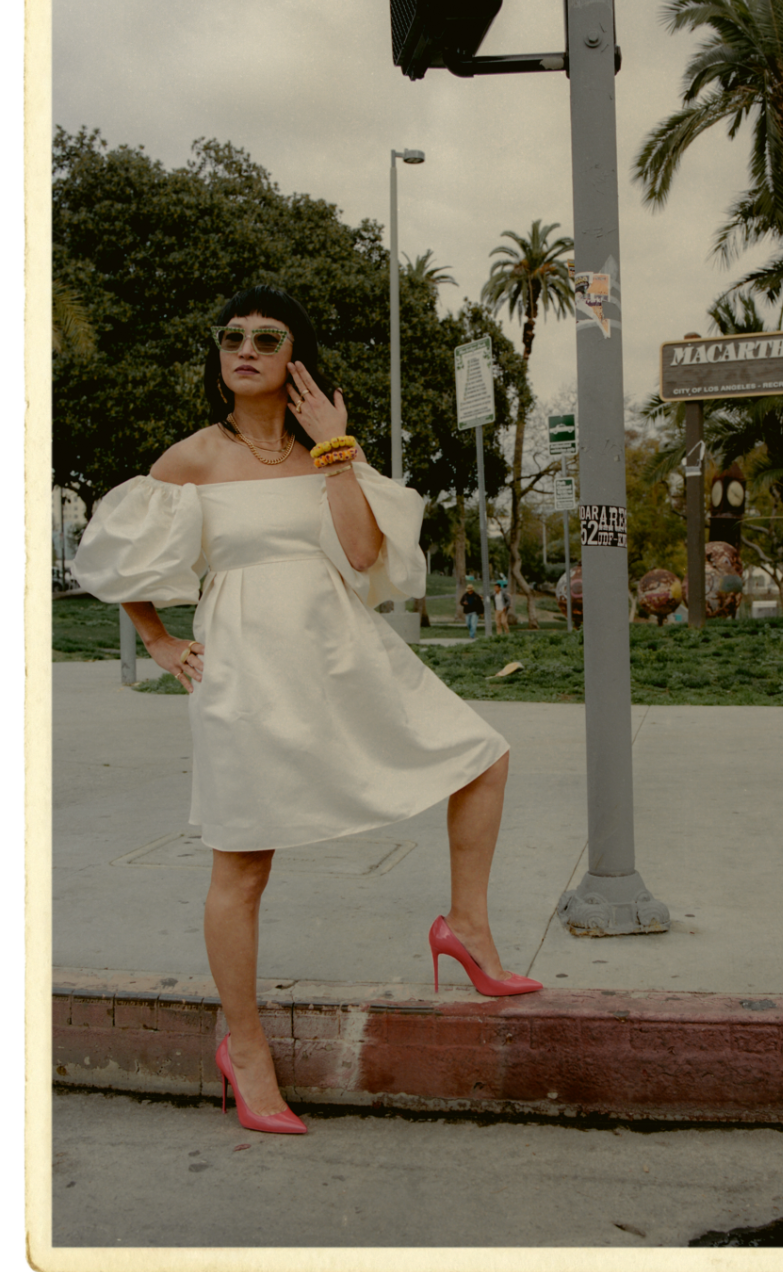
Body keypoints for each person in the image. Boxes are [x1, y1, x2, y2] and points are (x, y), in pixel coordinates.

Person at [72, 285, 542, 1137]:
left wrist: (334, 449)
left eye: (266, 336)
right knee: (244, 866)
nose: (244, 347)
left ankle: (466, 927)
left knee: (481, 755)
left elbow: (362, 553)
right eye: (231, 336)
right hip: (245, 669)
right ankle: (245, 1048)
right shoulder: (190, 460)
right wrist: (157, 640)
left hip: (342, 651)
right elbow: (114, 559)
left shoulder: (329, 451)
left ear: (297, 359)